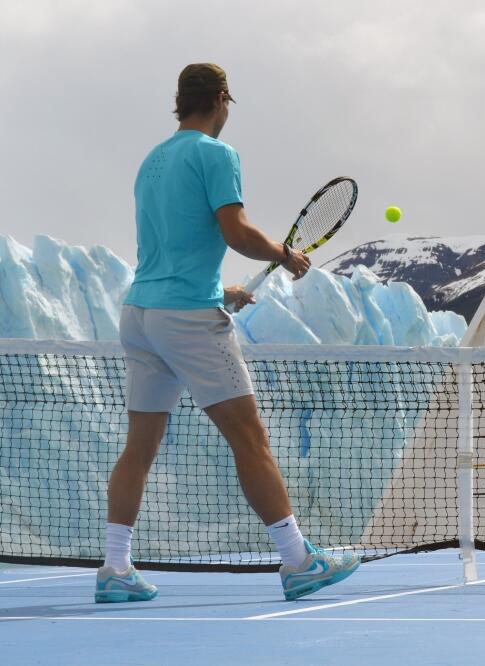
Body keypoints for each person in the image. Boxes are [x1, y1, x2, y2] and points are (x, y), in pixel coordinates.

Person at [96, 63, 359, 603]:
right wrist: (285, 255)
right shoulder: (216, 154)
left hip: (141, 315)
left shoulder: (152, 161)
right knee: (250, 438)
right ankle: (298, 561)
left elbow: (170, 247)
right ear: (220, 100)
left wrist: (221, 292)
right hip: (188, 319)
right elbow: (234, 231)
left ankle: (115, 569)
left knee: (138, 448)